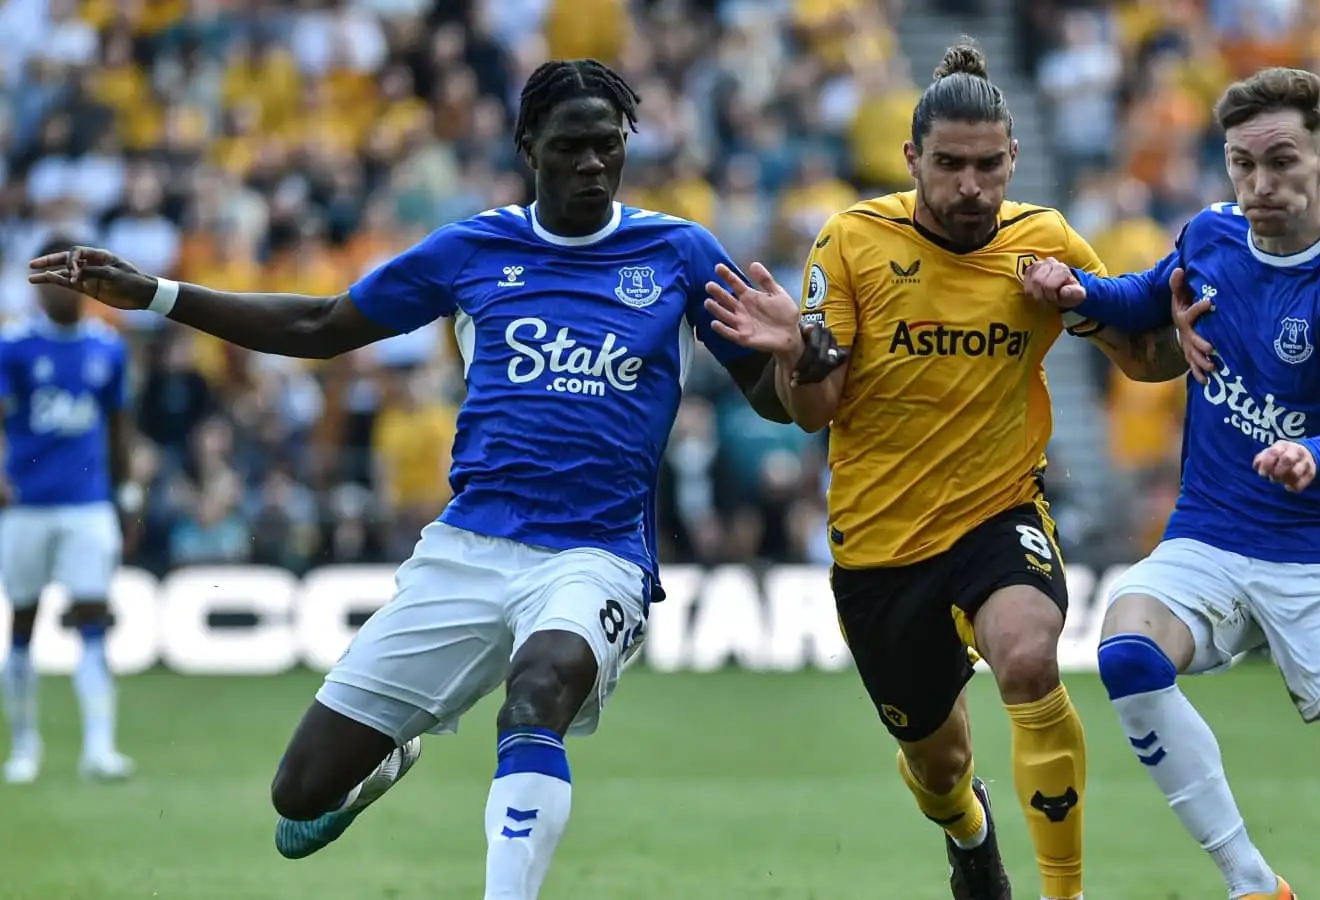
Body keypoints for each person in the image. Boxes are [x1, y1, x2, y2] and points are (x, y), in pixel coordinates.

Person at [30, 58, 841, 898]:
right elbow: (320, 324)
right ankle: (390, 757)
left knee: (538, 691)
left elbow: (778, 402)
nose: (593, 163)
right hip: (467, 549)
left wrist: (800, 360)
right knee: (299, 794)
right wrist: (159, 294)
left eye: (609, 144)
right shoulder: (474, 249)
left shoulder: (678, 253)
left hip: (595, 555)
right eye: (572, 146)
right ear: (530, 147)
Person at [700, 40, 1187, 900]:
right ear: (912, 159)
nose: (972, 187)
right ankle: (970, 831)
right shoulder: (850, 242)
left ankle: (1065, 895)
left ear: (1014, 157)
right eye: (952, 165)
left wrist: (1165, 329)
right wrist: (799, 352)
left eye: (989, 165)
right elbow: (817, 411)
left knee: (1030, 660)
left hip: (1001, 512)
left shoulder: (1046, 240)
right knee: (939, 763)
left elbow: (1142, 361)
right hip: (882, 547)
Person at [1023, 67, 1320, 900]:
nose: (1259, 185)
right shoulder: (1211, 236)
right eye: (1241, 166)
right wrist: (1076, 291)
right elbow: (1146, 298)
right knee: (1127, 650)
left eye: (1280, 163)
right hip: (1212, 535)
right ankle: (1251, 882)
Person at [0, 236, 137, 785]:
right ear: (41, 283)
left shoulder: (108, 347)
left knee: (93, 619)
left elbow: (120, 427)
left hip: (87, 505)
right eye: (57, 276)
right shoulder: (14, 347)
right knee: (22, 623)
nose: (66, 287)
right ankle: (24, 746)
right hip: (27, 505)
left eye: (75, 275)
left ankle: (99, 748)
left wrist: (127, 495)